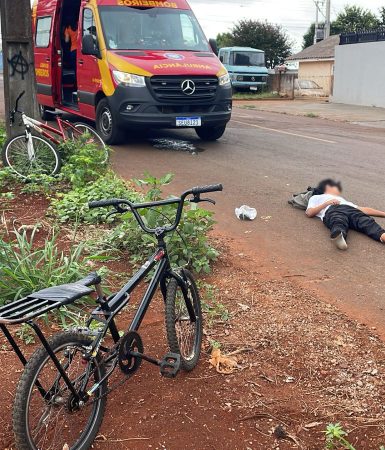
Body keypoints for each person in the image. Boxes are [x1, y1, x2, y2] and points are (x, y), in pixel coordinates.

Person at [306, 179, 385, 250]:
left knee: (364, 222)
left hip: (347, 209)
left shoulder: (338, 198)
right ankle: (339, 235)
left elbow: (362, 209)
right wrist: (326, 204)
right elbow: (309, 213)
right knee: (341, 221)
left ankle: (339, 235)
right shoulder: (315, 197)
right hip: (333, 209)